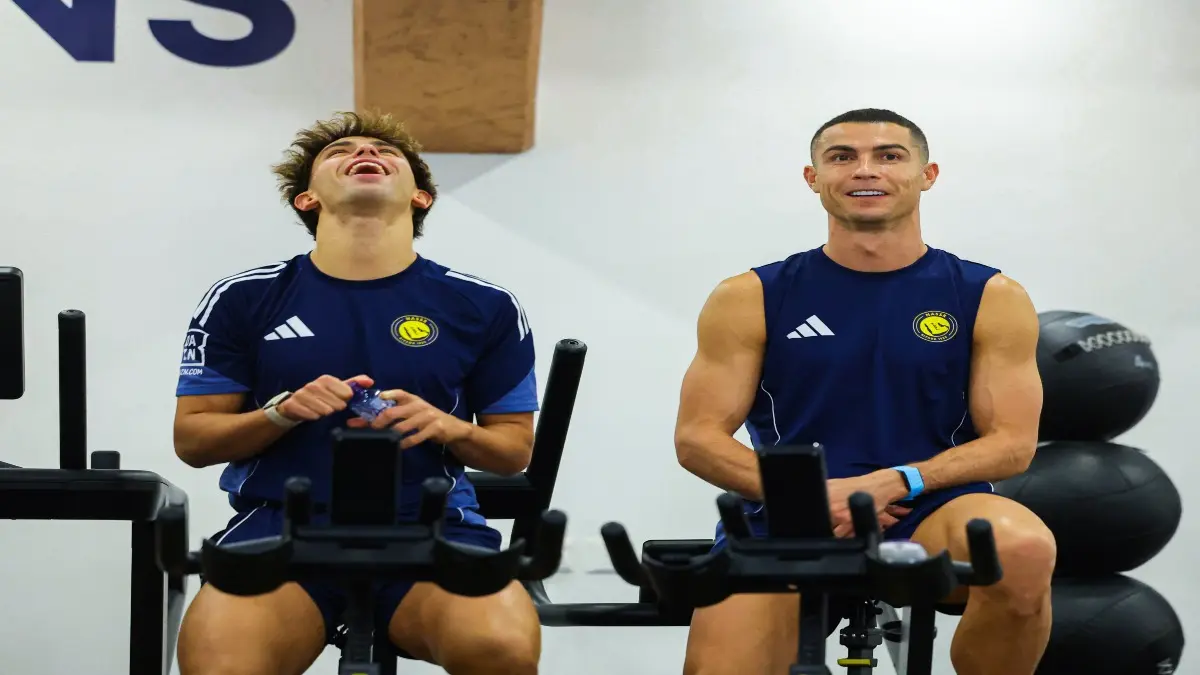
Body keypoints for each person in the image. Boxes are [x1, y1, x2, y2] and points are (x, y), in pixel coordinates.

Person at [673, 109, 1055, 675]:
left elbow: (1012, 444)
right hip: (792, 516)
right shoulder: (749, 295)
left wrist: (900, 480)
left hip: (931, 505)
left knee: (1022, 549)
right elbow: (697, 438)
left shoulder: (990, 295)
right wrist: (811, 498)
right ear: (813, 178)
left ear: (928, 175)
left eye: (889, 155)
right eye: (842, 157)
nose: (864, 169)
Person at [173, 111, 542, 675]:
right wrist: (280, 413)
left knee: (502, 649)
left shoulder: (484, 305)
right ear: (306, 200)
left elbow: (513, 451)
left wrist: (449, 426)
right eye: (339, 151)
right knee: (222, 664)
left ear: (421, 197)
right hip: (281, 528)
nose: (364, 152)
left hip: (433, 528)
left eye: (384, 150)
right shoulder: (240, 298)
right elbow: (194, 441)